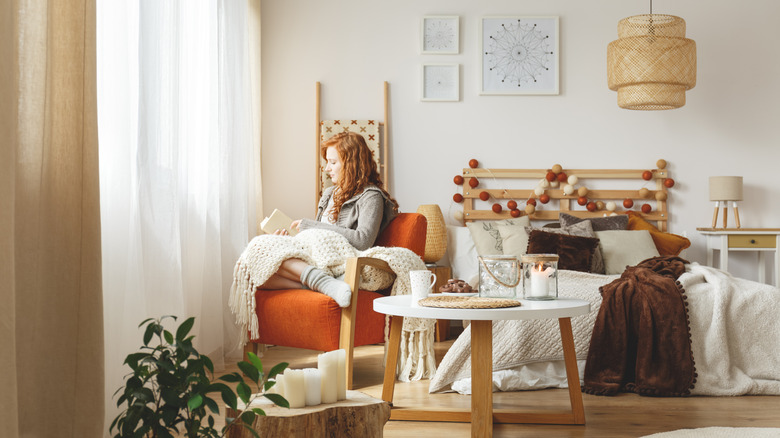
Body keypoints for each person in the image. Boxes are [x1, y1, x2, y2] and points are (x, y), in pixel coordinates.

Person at [258, 131, 399, 306]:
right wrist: (289, 239)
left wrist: (312, 226)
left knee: (262, 258)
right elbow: (316, 238)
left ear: (352, 164)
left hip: (339, 260)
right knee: (255, 271)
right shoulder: (329, 194)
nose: (327, 169)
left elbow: (363, 241)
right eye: (327, 163)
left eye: (332, 162)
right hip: (316, 255)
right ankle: (323, 284)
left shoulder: (371, 196)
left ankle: (322, 282)